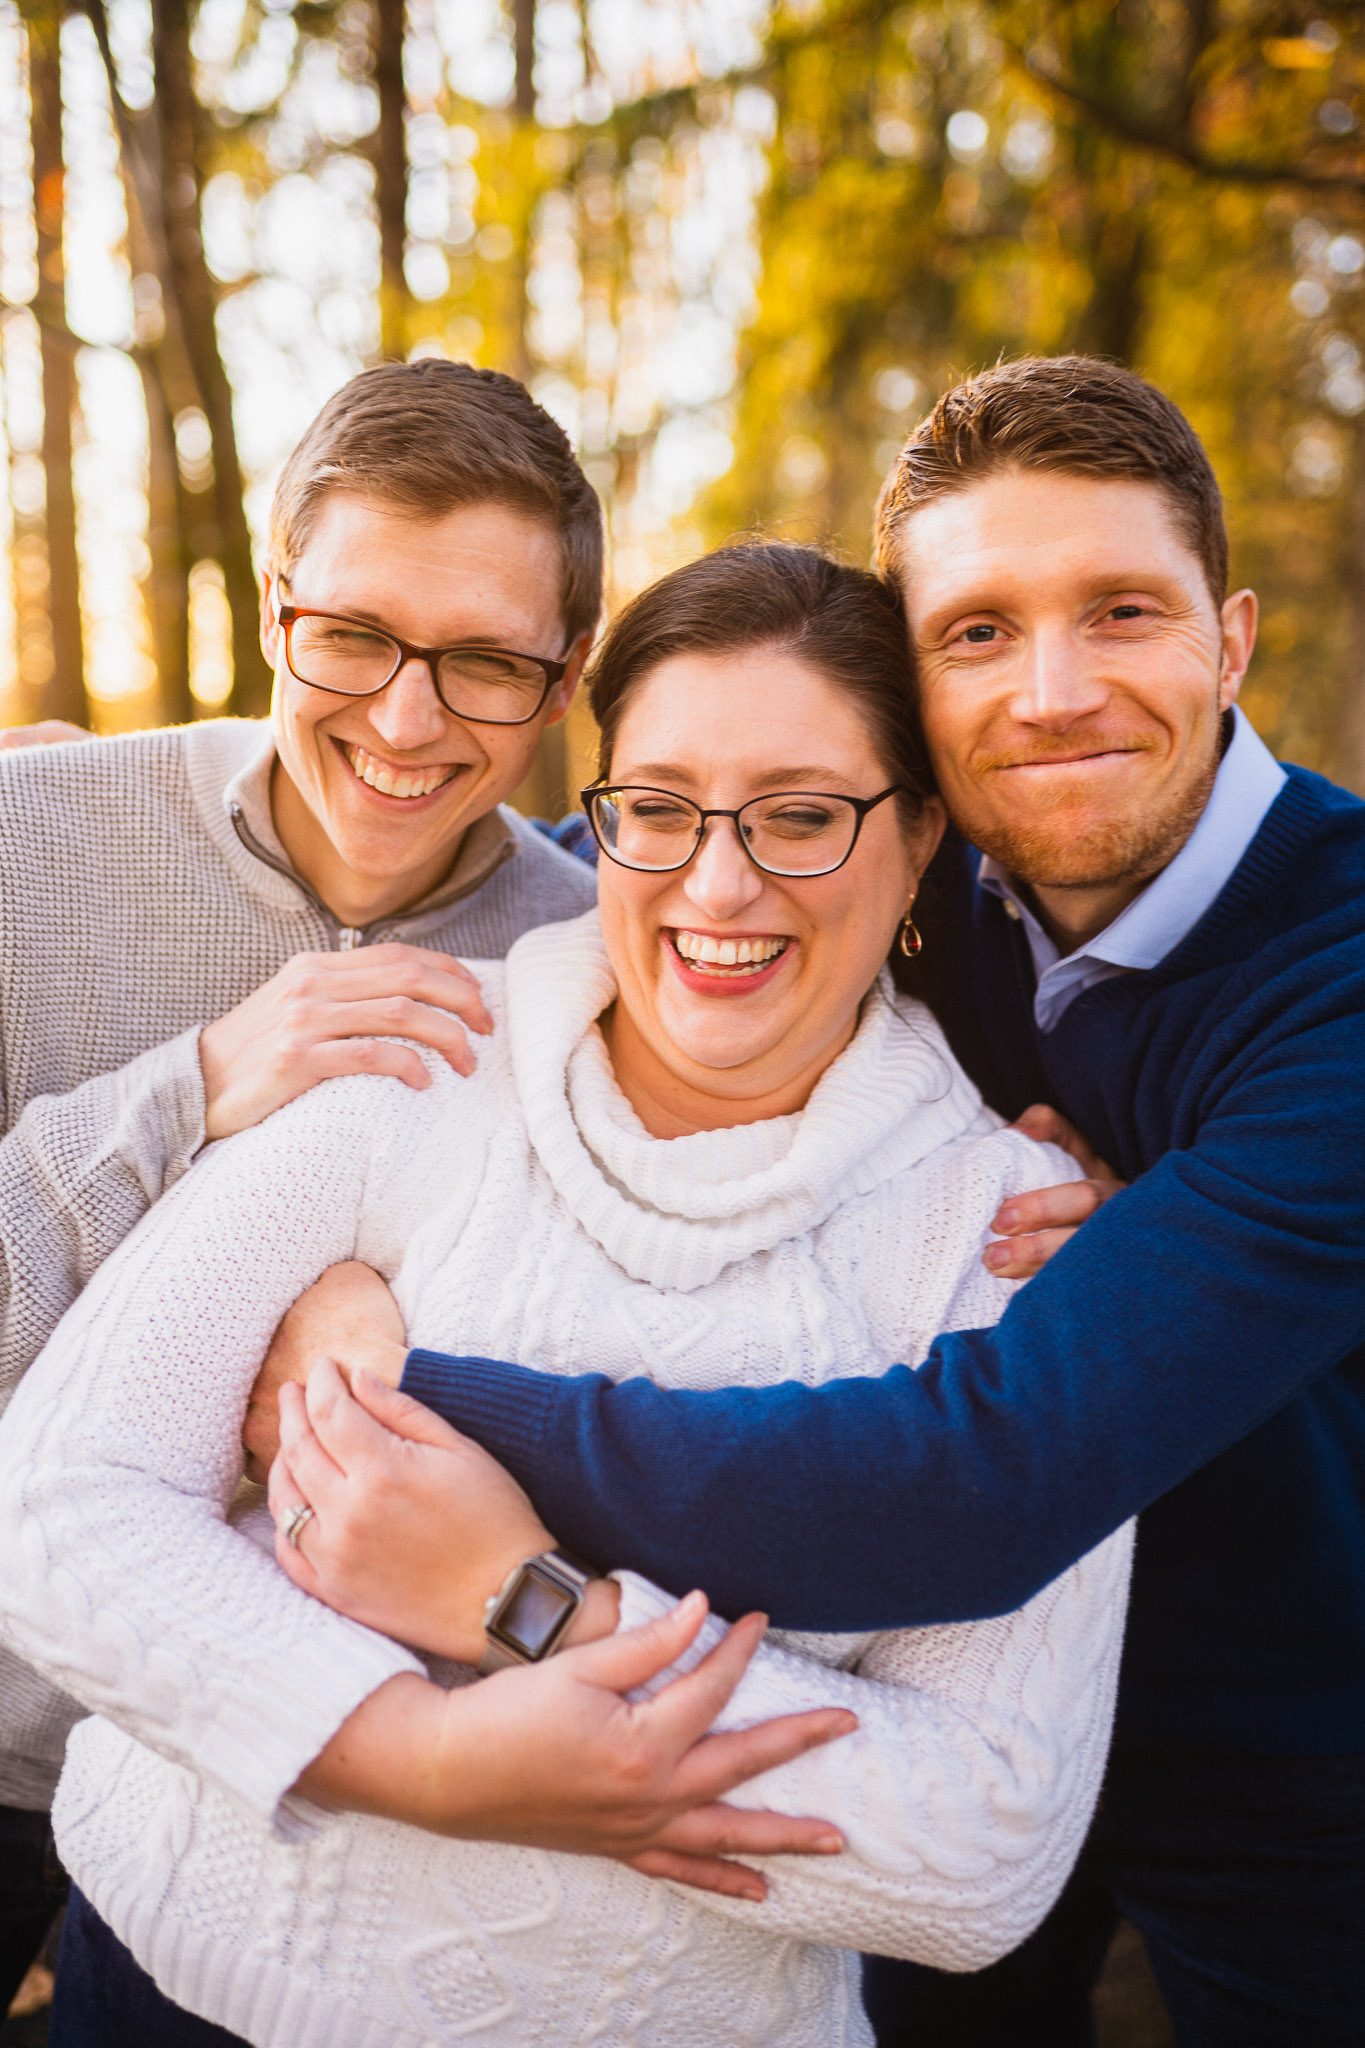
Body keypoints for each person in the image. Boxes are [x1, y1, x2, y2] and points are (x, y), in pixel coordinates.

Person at [275, 358, 1365, 2047]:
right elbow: (629, 849)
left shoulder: (1339, 978)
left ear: (1227, 641)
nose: (1052, 691)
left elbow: (979, 1476)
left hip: (1284, 1715)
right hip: (924, 1684)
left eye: (1121, 612)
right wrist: (143, 795)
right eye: (977, 631)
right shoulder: (894, 868)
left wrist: (403, 1412)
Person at [0, 543, 1133, 2047]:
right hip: (160, 1987)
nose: (716, 883)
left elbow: (986, 1847)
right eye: (656, 808)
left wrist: (538, 1613)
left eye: (801, 816)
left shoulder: (1012, 1238)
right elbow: (59, 1506)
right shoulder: (416, 1055)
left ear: (919, 834)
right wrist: (413, 1753)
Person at [0, 354, 615, 2008]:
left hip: (286, 1796)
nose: (407, 722)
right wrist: (188, 1093)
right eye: (353, 635)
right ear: (277, 607)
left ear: (562, 683)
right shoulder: (25, 840)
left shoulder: (598, 960)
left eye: (484, 663)